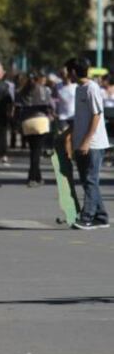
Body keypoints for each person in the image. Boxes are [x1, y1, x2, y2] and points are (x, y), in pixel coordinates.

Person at [68, 57, 110, 229]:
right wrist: (68, 136)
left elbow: (96, 115)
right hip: (81, 142)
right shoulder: (79, 89)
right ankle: (101, 217)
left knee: (91, 180)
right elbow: (80, 118)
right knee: (87, 181)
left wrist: (86, 141)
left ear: (72, 72)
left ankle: (87, 217)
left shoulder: (92, 88)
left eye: (66, 71)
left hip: (93, 143)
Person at [16, 72, 52, 187]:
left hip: (27, 122)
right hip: (41, 121)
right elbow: (49, 105)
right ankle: (32, 178)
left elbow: (17, 107)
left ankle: (38, 177)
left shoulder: (21, 91)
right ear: (39, 79)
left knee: (34, 150)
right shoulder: (44, 90)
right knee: (36, 152)